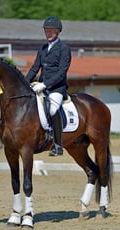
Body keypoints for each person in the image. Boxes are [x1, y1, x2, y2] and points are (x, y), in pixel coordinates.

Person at [25, 16, 72, 156]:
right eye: (46, 30)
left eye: (51, 30)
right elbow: (34, 68)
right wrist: (24, 83)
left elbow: (61, 72)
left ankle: (58, 145)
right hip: (40, 85)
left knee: (52, 110)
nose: (48, 33)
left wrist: (45, 85)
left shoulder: (64, 49)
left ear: (58, 31)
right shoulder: (43, 48)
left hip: (56, 88)